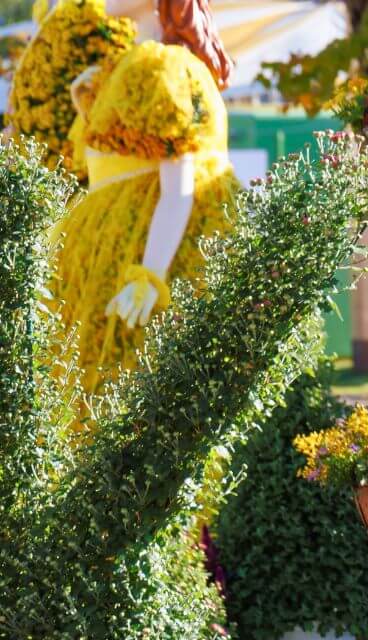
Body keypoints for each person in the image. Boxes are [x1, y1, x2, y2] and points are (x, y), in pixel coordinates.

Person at [47, 38, 241, 404]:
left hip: (132, 247)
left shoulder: (161, 67)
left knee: (121, 382)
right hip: (105, 246)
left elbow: (179, 184)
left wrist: (149, 275)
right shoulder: (123, 64)